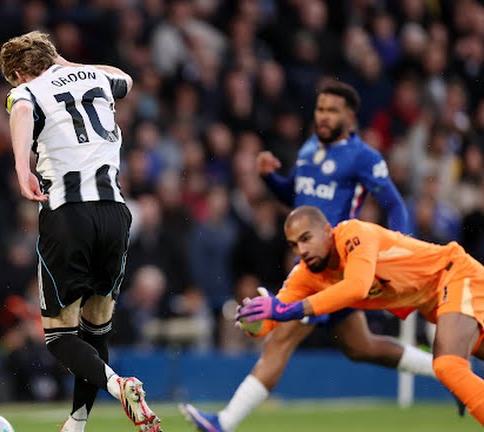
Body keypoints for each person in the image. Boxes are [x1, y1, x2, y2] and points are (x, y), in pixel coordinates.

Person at [182, 81, 438, 432]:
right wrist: (271, 179)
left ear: (350, 116)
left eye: (332, 110)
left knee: (280, 341)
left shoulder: (362, 157)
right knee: (361, 347)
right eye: (320, 108)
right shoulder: (307, 151)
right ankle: (446, 368)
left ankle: (222, 423)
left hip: (335, 266)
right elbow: (297, 200)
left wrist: (397, 248)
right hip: (312, 265)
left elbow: (394, 203)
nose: (323, 116)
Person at [0, 31, 161, 432]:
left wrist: (22, 165)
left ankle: (117, 383)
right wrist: (67, 66)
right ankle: (77, 422)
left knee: (59, 336)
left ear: (18, 73)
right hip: (116, 215)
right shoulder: (95, 78)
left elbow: (20, 110)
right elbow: (126, 78)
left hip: (68, 215)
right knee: (96, 325)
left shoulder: (27, 91)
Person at [237, 205, 484, 425]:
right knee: (450, 367)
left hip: (455, 274)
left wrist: (287, 310)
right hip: (437, 303)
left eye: (306, 238)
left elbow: (356, 287)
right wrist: (253, 321)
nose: (302, 249)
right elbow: (270, 321)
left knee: (447, 364)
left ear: (327, 230)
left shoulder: (354, 235)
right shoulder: (305, 275)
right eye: (294, 245)